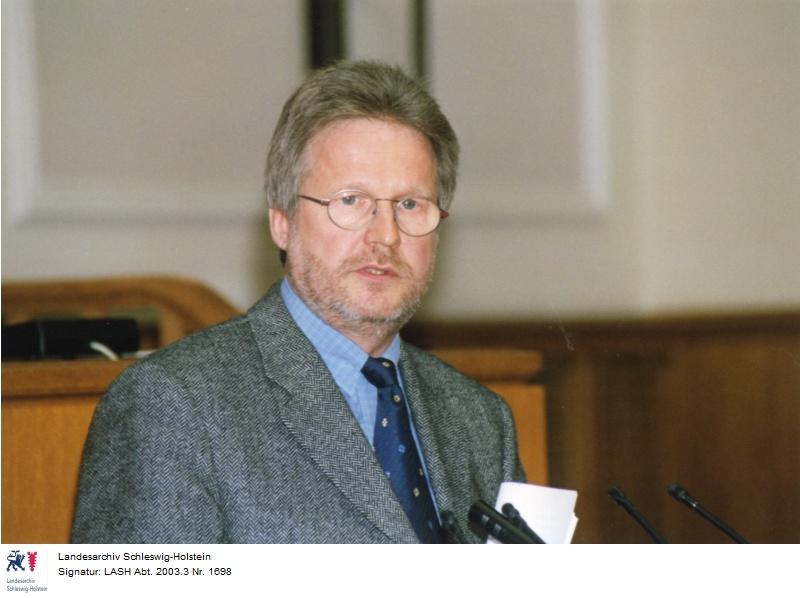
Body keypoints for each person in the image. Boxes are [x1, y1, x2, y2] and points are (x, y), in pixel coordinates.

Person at [71, 60, 525, 544]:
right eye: (350, 200)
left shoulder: (480, 420)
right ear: (282, 223)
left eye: (410, 204)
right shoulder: (174, 406)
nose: (386, 235)